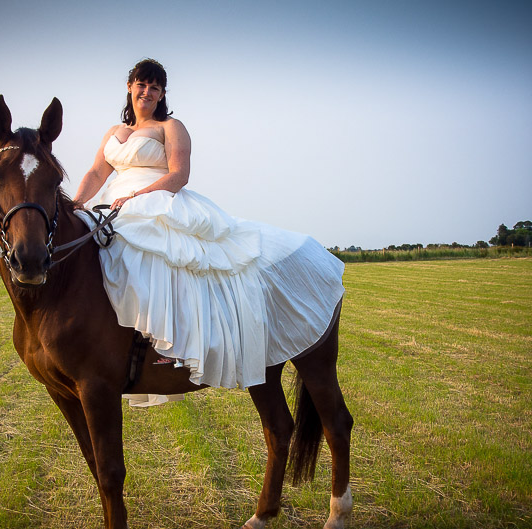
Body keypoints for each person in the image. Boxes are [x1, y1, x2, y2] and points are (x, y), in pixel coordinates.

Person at [72, 59, 344, 406]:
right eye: (142, 84)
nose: (147, 92)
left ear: (162, 94)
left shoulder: (170, 126)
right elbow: (97, 171)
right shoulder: (113, 132)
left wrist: (137, 197)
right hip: (115, 205)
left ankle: (170, 346)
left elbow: (179, 174)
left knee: (170, 260)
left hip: (156, 199)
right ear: (130, 87)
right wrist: (78, 201)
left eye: (155, 87)